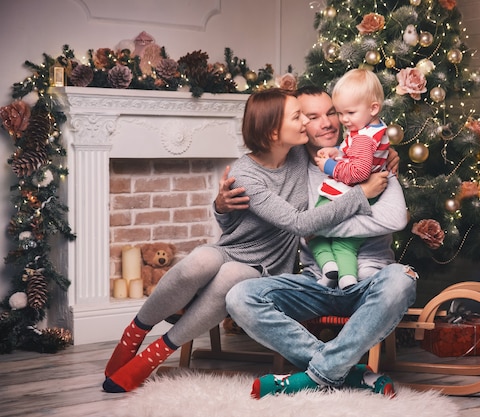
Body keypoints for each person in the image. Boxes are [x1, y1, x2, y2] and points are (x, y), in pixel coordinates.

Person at [101, 88, 389, 393]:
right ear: (274, 131)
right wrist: (361, 195)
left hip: (270, 264)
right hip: (234, 248)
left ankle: (154, 354)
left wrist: (385, 154)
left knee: (231, 276)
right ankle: (133, 334)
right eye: (298, 116)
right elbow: (296, 222)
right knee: (201, 259)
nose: (307, 122)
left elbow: (355, 148)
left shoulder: (300, 152)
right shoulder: (245, 173)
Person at [221, 86, 417, 398]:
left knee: (402, 280)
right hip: (318, 282)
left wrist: (320, 228)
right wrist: (221, 207)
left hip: (371, 280)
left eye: (332, 113)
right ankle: (346, 372)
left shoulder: (370, 158)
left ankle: (316, 375)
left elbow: (394, 219)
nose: (327, 123)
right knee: (240, 297)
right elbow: (291, 222)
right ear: (297, 124)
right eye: (312, 116)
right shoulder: (293, 169)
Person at [311, 68, 390, 289]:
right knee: (345, 246)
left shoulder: (364, 138)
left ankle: (328, 268)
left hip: (345, 194)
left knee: (313, 234)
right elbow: (359, 156)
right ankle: (347, 280)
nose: (344, 120)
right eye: (341, 113)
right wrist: (337, 152)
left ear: (374, 108)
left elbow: (359, 173)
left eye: (350, 113)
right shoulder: (372, 129)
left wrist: (329, 166)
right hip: (366, 197)